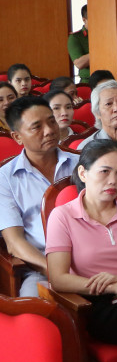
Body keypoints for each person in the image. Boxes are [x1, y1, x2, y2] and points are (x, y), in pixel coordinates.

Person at [44, 140, 117, 344]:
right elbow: (58, 278)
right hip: (98, 301)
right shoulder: (63, 216)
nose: (113, 180)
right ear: (83, 173)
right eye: (104, 171)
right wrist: (112, 287)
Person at [0, 96, 79, 296]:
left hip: (90, 256)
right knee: (34, 303)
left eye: (51, 121)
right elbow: (15, 243)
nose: (49, 130)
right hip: (42, 265)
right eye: (37, 127)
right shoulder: (5, 178)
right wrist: (54, 271)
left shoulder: (81, 164)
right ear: (17, 137)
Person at [67, 4, 90, 84]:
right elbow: (79, 64)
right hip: (88, 82)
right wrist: (100, 50)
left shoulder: (107, 34)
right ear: (84, 20)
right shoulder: (75, 37)